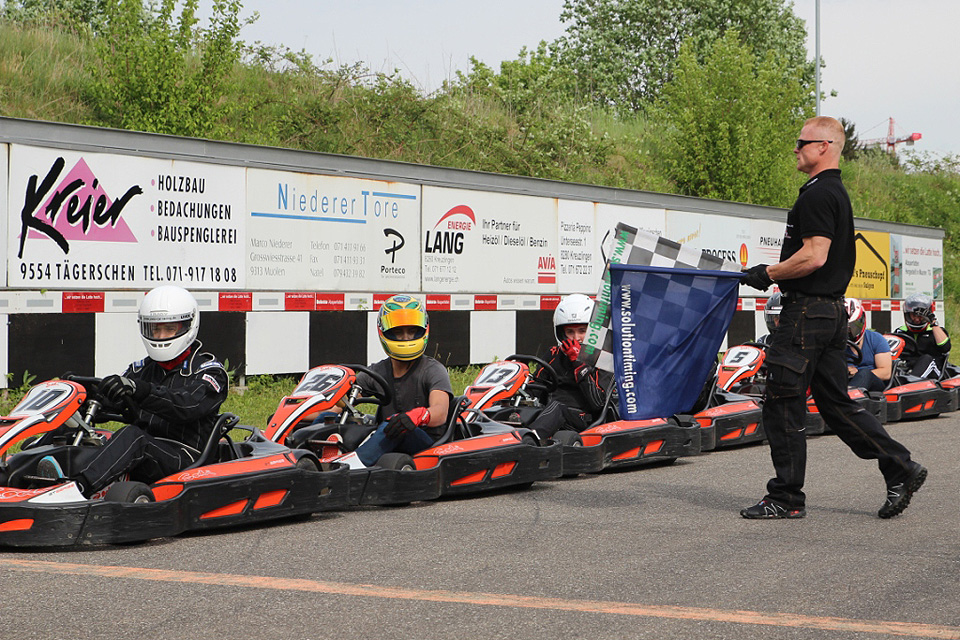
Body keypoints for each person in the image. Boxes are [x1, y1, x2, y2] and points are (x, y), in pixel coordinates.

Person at [740, 116, 925, 520]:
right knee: (836, 404)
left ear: (824, 145)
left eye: (801, 142)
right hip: (829, 313)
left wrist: (766, 273)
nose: (796, 149)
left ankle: (786, 498)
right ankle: (901, 466)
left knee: (783, 402)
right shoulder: (833, 192)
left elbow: (814, 256)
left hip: (806, 313)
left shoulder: (817, 195)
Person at [38, 285, 229, 497]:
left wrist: (141, 391)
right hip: (145, 451)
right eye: (155, 329)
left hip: (185, 457)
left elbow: (186, 406)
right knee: (72, 424)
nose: (161, 335)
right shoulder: (142, 369)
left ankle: (76, 489)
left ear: (187, 326)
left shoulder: (209, 371)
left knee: (133, 437)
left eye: (169, 329)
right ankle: (22, 471)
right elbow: (114, 402)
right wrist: (88, 395)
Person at [337, 294, 453, 468]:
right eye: (398, 332)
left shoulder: (433, 370)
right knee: (329, 417)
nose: (406, 338)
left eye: (412, 331)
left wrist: (418, 416)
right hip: (391, 436)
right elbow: (340, 403)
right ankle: (308, 461)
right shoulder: (376, 372)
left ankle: (347, 468)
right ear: (385, 332)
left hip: (427, 445)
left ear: (423, 329)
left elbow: (440, 411)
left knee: (397, 424)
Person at [526, 293, 612, 438]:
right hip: (549, 415)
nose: (576, 338)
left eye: (582, 331)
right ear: (561, 333)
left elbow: (598, 403)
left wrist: (579, 363)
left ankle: (528, 441)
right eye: (570, 332)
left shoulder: (602, 358)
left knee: (557, 408)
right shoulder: (553, 354)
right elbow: (535, 389)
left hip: (586, 419)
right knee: (521, 408)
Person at [893, 293, 951, 379]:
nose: (916, 319)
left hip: (933, 372)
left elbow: (945, 347)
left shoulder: (936, 331)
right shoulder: (900, 332)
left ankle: (909, 383)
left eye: (920, 316)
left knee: (926, 358)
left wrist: (933, 322)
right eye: (913, 315)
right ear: (907, 314)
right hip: (907, 369)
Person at [845, 297, 892, 392]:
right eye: (845, 328)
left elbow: (886, 373)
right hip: (843, 383)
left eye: (853, 327)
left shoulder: (876, 339)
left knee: (864, 373)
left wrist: (857, 374)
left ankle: (848, 400)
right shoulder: (834, 343)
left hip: (874, 388)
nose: (849, 331)